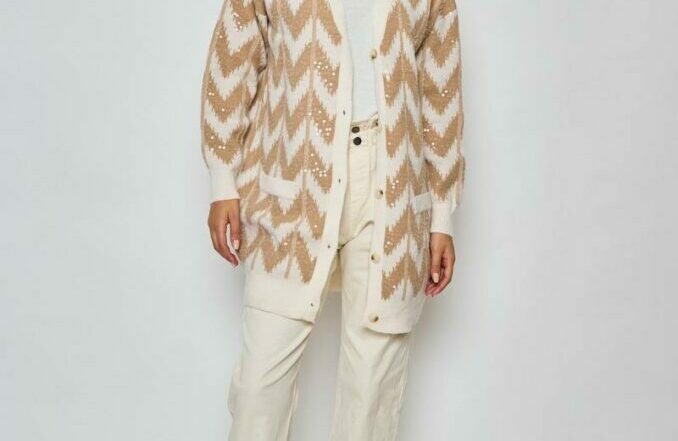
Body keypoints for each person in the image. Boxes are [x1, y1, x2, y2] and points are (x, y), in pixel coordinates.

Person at [200, 0, 464, 439]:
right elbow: (234, 54)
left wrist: (441, 214)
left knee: (372, 392)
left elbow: (441, 88)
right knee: (259, 387)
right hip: (292, 185)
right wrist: (222, 179)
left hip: (393, 189)